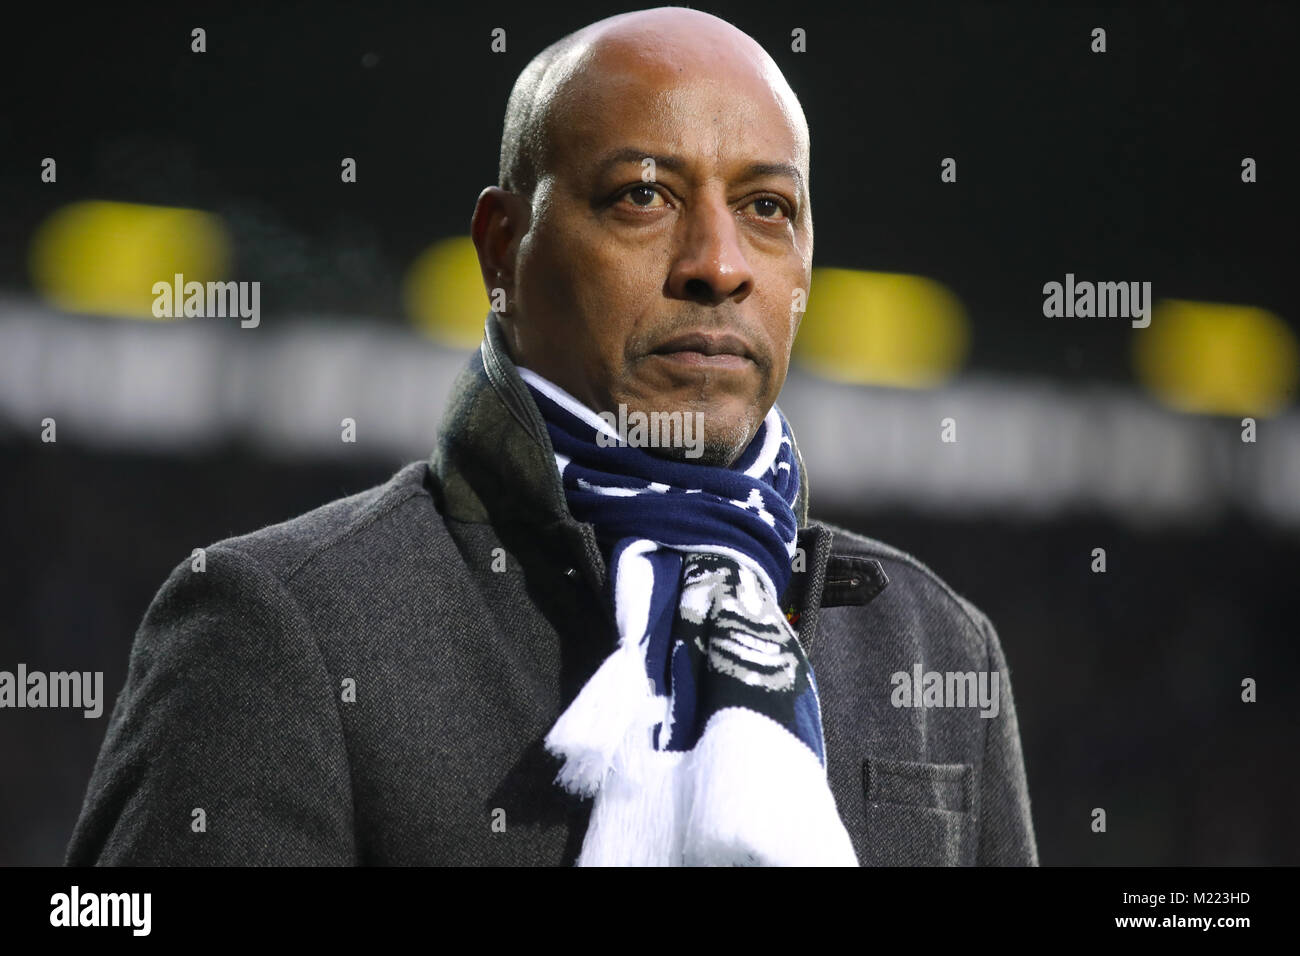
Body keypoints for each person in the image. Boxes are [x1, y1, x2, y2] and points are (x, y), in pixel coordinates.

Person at [67, 6, 1037, 866]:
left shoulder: (936, 643)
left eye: (765, 208)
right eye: (643, 197)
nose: (717, 263)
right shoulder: (279, 627)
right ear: (502, 250)